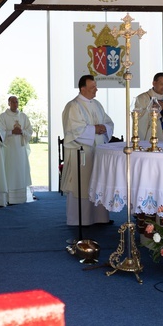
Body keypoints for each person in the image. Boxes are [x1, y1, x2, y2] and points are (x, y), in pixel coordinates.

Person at [62, 75, 114, 226]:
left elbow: (108, 121)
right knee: (82, 185)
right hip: (81, 152)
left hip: (97, 151)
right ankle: (80, 219)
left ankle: (100, 217)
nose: (96, 90)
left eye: (96, 86)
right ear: (82, 88)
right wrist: (94, 129)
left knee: (98, 181)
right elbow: (73, 130)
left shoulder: (97, 104)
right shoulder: (73, 106)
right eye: (92, 87)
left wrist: (105, 128)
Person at [0, 95, 33, 204]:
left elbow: (29, 130)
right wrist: (11, 132)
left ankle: (21, 198)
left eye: (16, 102)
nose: (15, 104)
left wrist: (22, 132)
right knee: (10, 172)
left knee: (20, 172)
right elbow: (0, 132)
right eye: (12, 102)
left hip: (20, 150)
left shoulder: (23, 116)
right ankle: (9, 199)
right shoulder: (3, 117)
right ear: (8, 103)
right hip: (9, 151)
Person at [133, 72, 163, 140]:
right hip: (150, 136)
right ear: (154, 83)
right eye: (162, 84)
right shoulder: (142, 98)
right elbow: (138, 118)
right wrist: (154, 110)